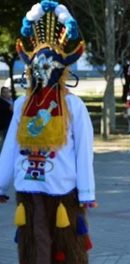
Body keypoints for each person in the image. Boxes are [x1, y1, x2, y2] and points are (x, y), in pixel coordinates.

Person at [0, 1, 96, 263]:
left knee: (66, 245)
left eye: (49, 66)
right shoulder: (22, 104)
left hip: (63, 188)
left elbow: (84, 150)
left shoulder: (73, 105)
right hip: (29, 187)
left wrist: (87, 192)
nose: (43, 72)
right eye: (38, 67)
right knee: (35, 242)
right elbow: (10, 146)